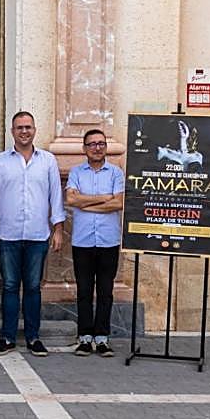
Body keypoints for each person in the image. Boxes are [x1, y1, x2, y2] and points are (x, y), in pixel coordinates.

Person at [0, 111, 65, 356]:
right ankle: (7, 337)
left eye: (28, 127)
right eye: (19, 127)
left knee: (32, 287)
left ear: (34, 130)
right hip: (7, 235)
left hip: (38, 235)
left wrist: (58, 229)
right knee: (9, 286)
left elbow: (56, 196)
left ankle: (33, 337)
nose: (24, 131)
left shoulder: (48, 161)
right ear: (12, 132)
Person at [65, 129, 124, 357]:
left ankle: (102, 338)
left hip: (109, 241)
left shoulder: (116, 173)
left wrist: (86, 203)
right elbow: (71, 199)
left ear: (106, 147)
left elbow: (118, 203)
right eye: (92, 144)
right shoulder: (76, 172)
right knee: (84, 290)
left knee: (106, 291)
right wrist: (103, 198)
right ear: (84, 148)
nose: (97, 148)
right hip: (83, 241)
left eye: (101, 143)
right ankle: (85, 338)